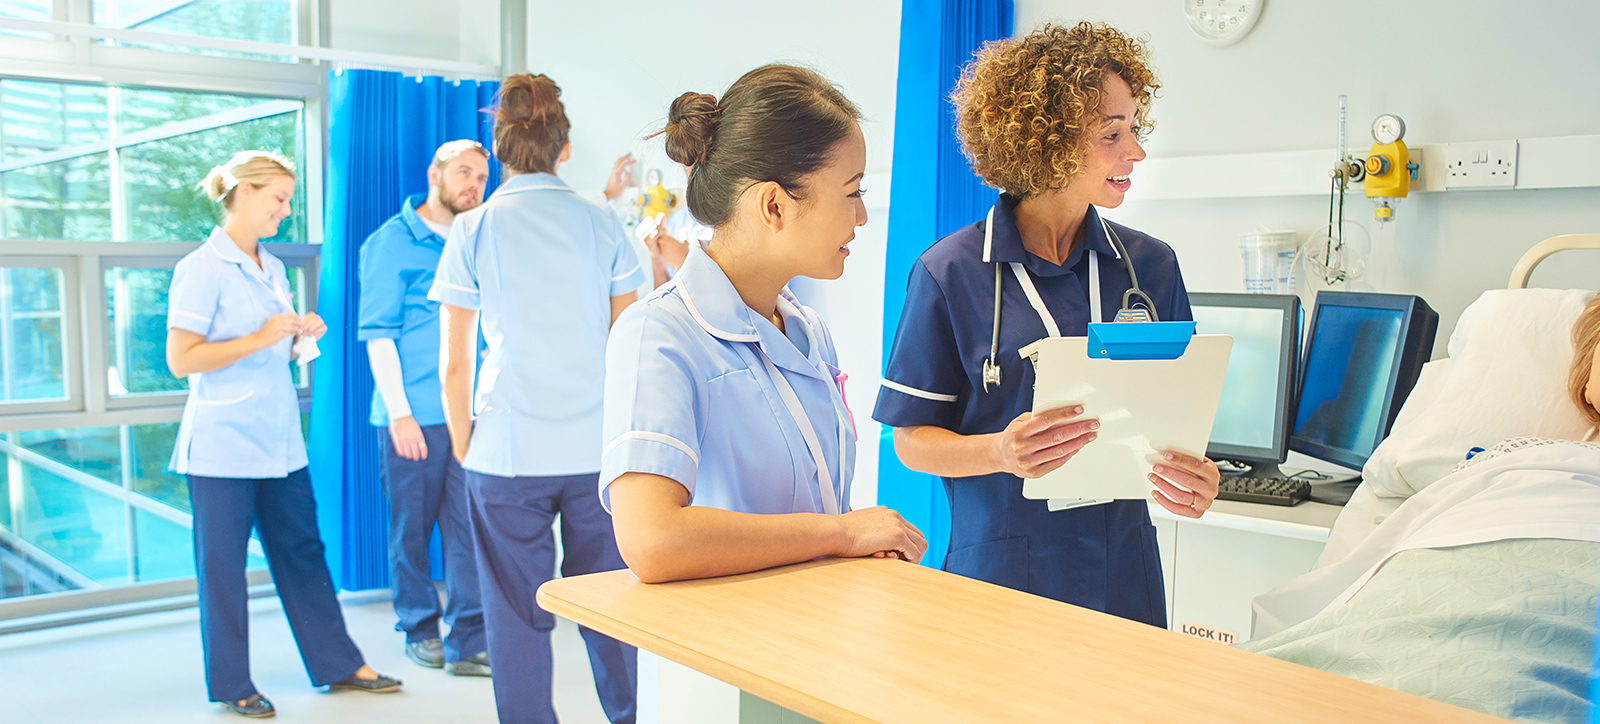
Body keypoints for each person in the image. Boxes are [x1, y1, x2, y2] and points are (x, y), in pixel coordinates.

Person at [872, 22, 1220, 626]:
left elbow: (1176, 420)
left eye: (1134, 130)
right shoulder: (949, 274)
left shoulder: (1151, 267)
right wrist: (1001, 451)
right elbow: (911, 442)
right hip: (1003, 580)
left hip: (1125, 575)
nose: (1134, 152)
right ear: (1047, 140)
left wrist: (1195, 479)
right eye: (1112, 134)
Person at [601, 64, 927, 585]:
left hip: (811, 633)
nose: (862, 217)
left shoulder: (807, 329)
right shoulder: (658, 334)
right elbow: (651, 539)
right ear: (773, 204)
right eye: (852, 192)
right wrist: (841, 534)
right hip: (719, 652)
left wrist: (855, 546)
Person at [431, 74, 641, 724]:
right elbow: (629, 346)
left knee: (517, 620)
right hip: (597, 454)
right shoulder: (603, 224)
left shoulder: (473, 231)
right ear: (565, 148)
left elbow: (455, 363)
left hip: (506, 451)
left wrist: (466, 445)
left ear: (499, 149)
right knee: (611, 607)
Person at [166, 151, 400, 718]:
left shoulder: (269, 266)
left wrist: (297, 337)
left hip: (276, 441)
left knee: (303, 552)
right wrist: (263, 334)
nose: (285, 211)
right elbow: (181, 358)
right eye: (279, 199)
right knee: (222, 568)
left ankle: (339, 665)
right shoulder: (201, 268)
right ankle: (232, 684)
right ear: (245, 193)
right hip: (221, 446)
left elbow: (269, 343)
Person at [357, 139, 490, 675]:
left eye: (481, 177)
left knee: (468, 530)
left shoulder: (476, 238)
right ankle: (418, 626)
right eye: (463, 172)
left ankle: (467, 641)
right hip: (412, 416)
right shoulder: (391, 242)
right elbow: (378, 335)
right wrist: (399, 412)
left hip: (468, 413)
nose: (473, 185)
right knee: (410, 531)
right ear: (434, 173)